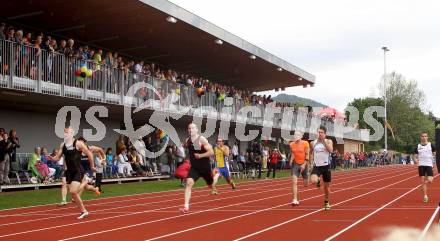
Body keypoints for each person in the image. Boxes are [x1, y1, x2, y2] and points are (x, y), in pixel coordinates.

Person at [50, 127, 96, 219]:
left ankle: (84, 210)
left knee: (73, 191)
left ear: (71, 133)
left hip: (78, 170)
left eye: (67, 132)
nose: (65, 134)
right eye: (64, 133)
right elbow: (57, 158)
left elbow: (90, 154)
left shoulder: (78, 144)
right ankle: (84, 211)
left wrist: (92, 166)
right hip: (69, 171)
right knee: (73, 193)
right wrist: (51, 158)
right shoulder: (63, 145)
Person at [180, 123, 214, 213]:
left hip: (205, 168)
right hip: (194, 168)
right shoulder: (187, 140)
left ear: (196, 130)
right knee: (188, 183)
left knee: (211, 184)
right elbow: (190, 150)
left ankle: (212, 186)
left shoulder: (202, 139)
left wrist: (201, 155)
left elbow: (211, 152)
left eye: (192, 128)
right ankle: (186, 206)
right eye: (189, 128)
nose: (190, 130)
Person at [310, 125, 333, 210]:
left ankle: (326, 202)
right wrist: (311, 162)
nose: (320, 134)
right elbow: (311, 153)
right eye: (318, 132)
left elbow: (330, 150)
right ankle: (318, 179)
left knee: (326, 187)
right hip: (317, 166)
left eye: (321, 132)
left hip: (326, 166)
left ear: (325, 134)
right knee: (313, 180)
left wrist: (324, 142)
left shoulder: (329, 141)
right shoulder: (313, 143)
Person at [414, 131, 436, 203]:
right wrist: (416, 161)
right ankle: (425, 196)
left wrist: (435, 163)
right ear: (420, 137)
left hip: (429, 164)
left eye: (425, 136)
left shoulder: (431, 145)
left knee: (430, 180)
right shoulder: (418, 146)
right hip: (421, 165)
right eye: (422, 136)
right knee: (422, 180)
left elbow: (435, 154)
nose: (424, 137)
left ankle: (423, 184)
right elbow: (415, 156)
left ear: (427, 137)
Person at [289, 132, 310, 206]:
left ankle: (308, 176)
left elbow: (307, 155)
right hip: (296, 164)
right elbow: (293, 153)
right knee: (294, 182)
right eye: (295, 135)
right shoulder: (291, 144)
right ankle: (295, 199)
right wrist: (291, 160)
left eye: (297, 135)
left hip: (304, 163)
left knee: (306, 184)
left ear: (301, 136)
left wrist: (304, 165)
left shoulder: (305, 143)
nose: (296, 136)